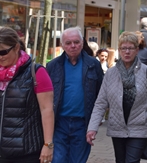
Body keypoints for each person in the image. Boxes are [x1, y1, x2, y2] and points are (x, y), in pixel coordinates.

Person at [86, 31, 147, 163]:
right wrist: (92, 128)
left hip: (139, 129)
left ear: (137, 50)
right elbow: (101, 103)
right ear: (119, 50)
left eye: (130, 48)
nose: (127, 52)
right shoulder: (111, 74)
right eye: (123, 48)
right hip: (117, 129)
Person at [46, 26, 104, 163]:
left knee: (77, 160)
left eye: (76, 42)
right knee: (58, 160)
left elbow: (101, 94)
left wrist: (96, 120)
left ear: (82, 43)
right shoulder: (53, 66)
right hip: (59, 123)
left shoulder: (93, 64)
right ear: (62, 45)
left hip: (83, 123)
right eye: (68, 43)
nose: (73, 46)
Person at [0, 27, 54, 163]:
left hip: (25, 152)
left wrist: (48, 145)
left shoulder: (36, 73)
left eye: (3, 52)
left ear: (16, 47)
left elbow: (47, 110)